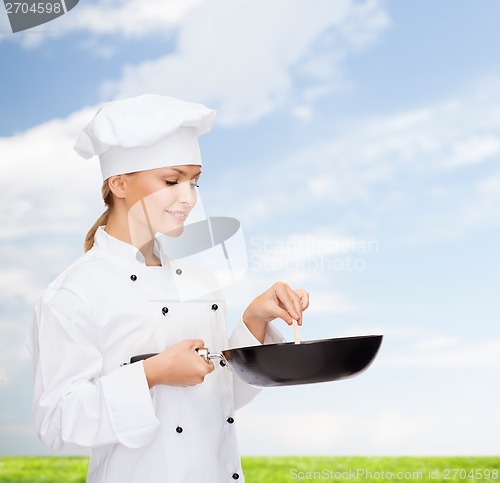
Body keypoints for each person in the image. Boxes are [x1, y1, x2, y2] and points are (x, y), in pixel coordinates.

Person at [27, 94, 309, 482]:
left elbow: (219, 399)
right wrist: (151, 374)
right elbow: (57, 421)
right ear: (120, 183)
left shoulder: (200, 284)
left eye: (194, 182)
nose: (189, 197)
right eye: (171, 181)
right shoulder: (74, 293)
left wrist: (255, 318)